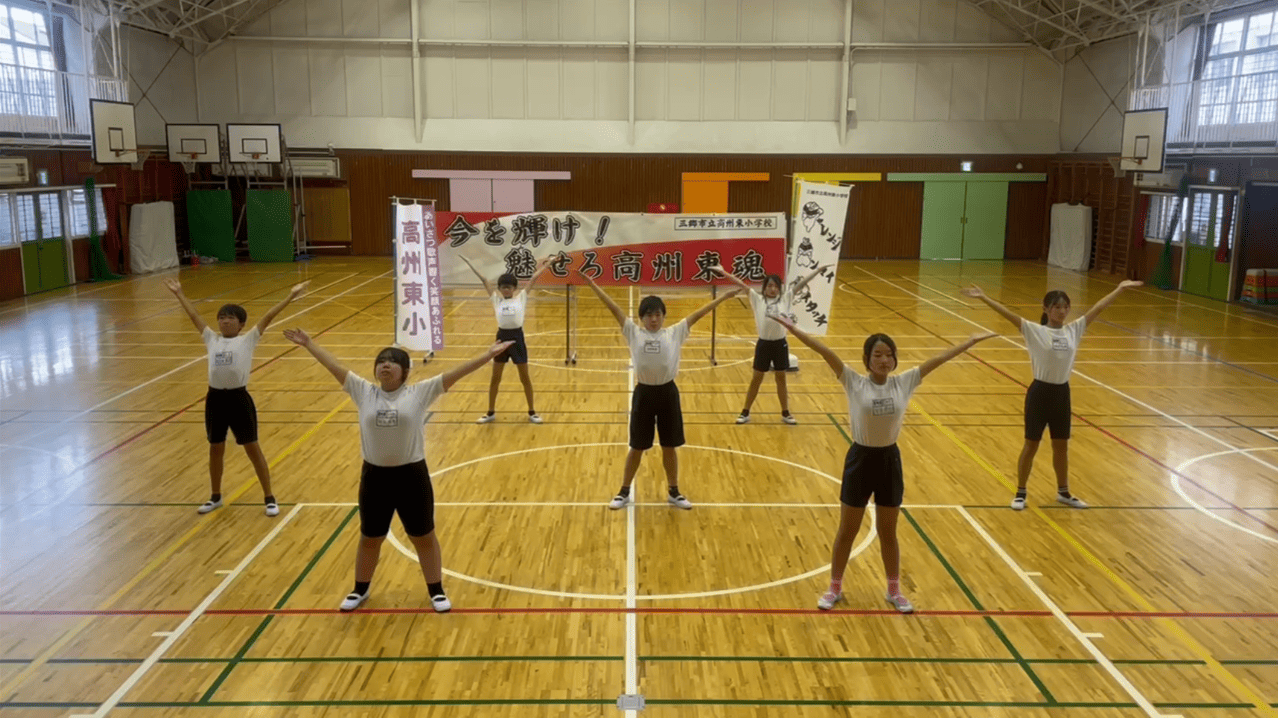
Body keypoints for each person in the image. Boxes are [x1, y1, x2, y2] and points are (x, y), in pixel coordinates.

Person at [769, 314, 996, 612]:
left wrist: (970, 341)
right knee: (847, 530)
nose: (884, 360)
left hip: (889, 461)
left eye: (889, 355)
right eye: (877, 355)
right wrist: (792, 329)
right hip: (860, 460)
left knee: (888, 532)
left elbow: (939, 359)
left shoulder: (905, 382)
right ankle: (834, 587)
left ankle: (894, 590)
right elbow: (823, 351)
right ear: (867, 359)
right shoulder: (853, 381)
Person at [283, 329, 513, 612]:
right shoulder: (363, 391)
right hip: (375, 478)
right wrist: (308, 344)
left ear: (405, 371)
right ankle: (360, 590)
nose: (385, 365)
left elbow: (456, 372)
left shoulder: (419, 393)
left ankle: (436, 591)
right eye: (381, 361)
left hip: (411, 477)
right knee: (370, 538)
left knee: (424, 537)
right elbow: (335, 367)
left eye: (392, 361)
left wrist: (487, 356)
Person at [960, 281, 1142, 511]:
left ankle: (1063, 492)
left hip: (1061, 394)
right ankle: (1020, 493)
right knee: (1031, 445)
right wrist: (984, 298)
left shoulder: (1074, 329)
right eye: (1057, 307)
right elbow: (1009, 315)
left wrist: (1120, 289)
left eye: (1066, 307)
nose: (1062, 311)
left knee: (1061, 446)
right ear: (1046, 309)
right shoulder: (1034, 331)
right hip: (1039, 393)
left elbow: (1098, 308)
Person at [577, 271, 742, 510]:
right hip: (644, 394)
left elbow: (700, 313)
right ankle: (624, 492)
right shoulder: (634, 332)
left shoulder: (674, 332)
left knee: (669, 445)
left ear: (663, 316)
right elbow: (613, 308)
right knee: (636, 446)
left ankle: (674, 492)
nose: (653, 319)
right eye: (648, 315)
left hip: (668, 394)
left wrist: (723, 298)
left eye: (657, 314)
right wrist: (592, 284)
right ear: (642, 318)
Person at [165, 278, 308, 517]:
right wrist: (179, 293)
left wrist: (290, 296)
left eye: (230, 318)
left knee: (252, 448)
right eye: (222, 317)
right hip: (215, 400)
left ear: (241, 324)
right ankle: (215, 497)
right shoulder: (212, 338)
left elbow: (269, 316)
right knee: (215, 448)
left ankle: (269, 498)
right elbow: (194, 316)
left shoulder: (248, 339)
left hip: (239, 400)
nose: (224, 321)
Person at [712, 263, 831, 425]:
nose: (773, 289)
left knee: (781, 378)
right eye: (769, 286)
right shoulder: (757, 298)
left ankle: (785, 413)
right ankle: (745, 411)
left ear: (779, 288)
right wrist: (723, 272)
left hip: (780, 345)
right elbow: (741, 284)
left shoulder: (786, 298)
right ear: (765, 288)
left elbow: (801, 284)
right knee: (756, 378)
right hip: (763, 345)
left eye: (775, 286)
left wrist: (817, 271)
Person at [458, 255, 550, 424]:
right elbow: (484, 280)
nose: (506, 290)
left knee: (525, 378)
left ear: (514, 288)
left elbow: (534, 278)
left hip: (517, 338)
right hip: (501, 339)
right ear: (499, 289)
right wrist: (469, 263)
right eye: (503, 287)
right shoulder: (496, 300)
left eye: (509, 287)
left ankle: (532, 412)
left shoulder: (521, 298)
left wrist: (549, 264)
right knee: (495, 378)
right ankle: (490, 412)